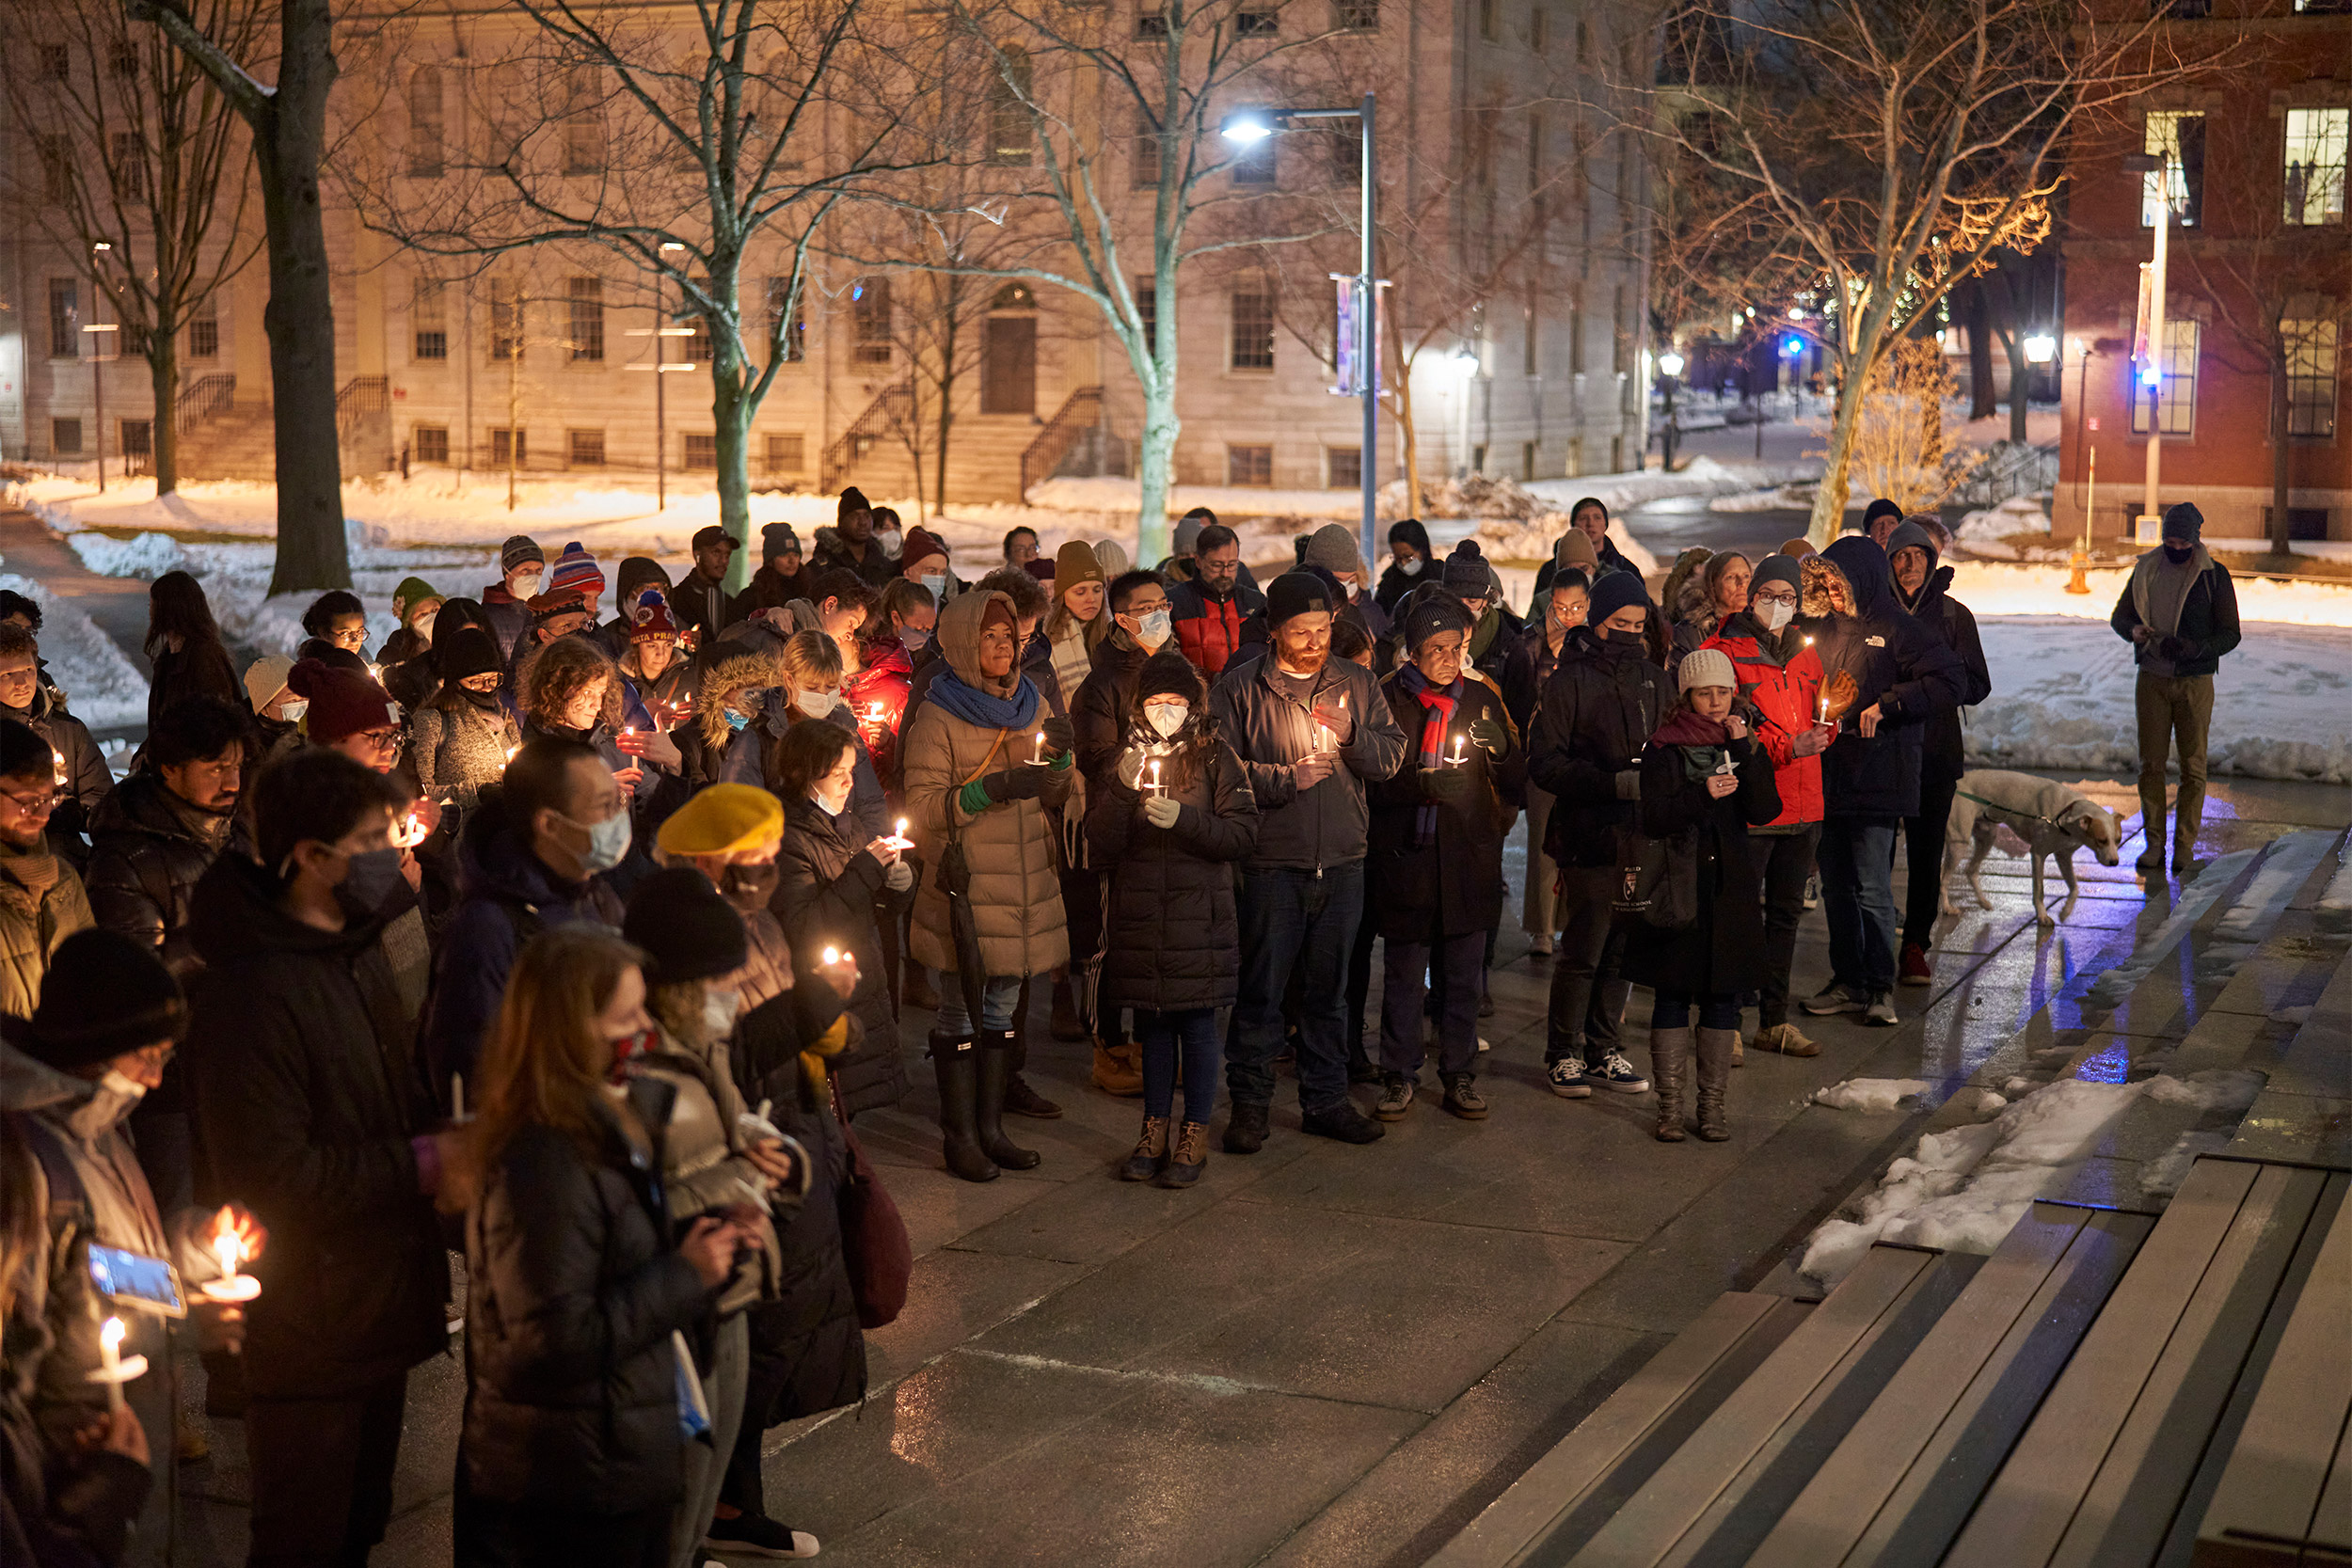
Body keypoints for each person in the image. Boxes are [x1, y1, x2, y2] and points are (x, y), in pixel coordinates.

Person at [183, 748, 453, 1568]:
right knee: (304, 1538)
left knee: (359, 1525)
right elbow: (275, 1177)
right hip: (310, 1317)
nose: (392, 847)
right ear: (310, 858)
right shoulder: (251, 992)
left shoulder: (355, 947)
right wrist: (427, 1165)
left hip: (380, 1295)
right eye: (373, 836)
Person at [449, 925, 767, 1568]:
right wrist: (684, 1274)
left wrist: (705, 1237)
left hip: (612, 1452)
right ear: (571, 1030)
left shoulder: (606, 1118)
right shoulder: (542, 1160)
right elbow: (554, 1337)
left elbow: (610, 1255)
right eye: (627, 1015)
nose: (646, 1028)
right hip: (568, 1482)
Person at [0, 930, 207, 1562]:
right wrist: (91, 1476)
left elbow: (102, 1269)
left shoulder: (101, 1131)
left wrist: (189, 1272)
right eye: (145, 1052)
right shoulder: (27, 1165)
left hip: (126, 1465)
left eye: (166, 1053)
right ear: (91, 1046)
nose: (156, 1073)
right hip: (70, 1480)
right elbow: (19, 1358)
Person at [617, 870, 800, 1568]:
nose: (732, 991)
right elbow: (640, 1192)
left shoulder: (705, 1050)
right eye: (720, 979)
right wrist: (741, 1177)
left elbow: (738, 1134)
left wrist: (776, 1162)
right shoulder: (639, 1070)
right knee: (674, 1493)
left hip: (727, 1290)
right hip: (674, 1302)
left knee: (703, 1479)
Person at [1211, 571, 1407, 1151]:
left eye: (1323, 629)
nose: (1316, 641)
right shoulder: (1242, 689)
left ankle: (1325, 1100)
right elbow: (1219, 775)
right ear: (1275, 633)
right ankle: (1249, 1105)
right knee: (1262, 993)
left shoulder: (1358, 683)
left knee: (1331, 994)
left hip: (1344, 860)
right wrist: (1284, 779)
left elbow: (1392, 756)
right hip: (1274, 863)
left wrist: (1350, 737)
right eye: (1302, 631)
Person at [900, 589, 1073, 1182]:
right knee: (960, 1009)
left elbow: (1057, 790)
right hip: (967, 883)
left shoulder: (1033, 702)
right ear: (963, 643)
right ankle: (960, 1135)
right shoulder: (937, 713)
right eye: (990, 637)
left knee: (1002, 1003)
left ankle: (992, 1127)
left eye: (1010, 637)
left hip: (1024, 876)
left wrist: (1060, 769)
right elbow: (924, 808)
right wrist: (992, 791)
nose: (1004, 648)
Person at [1087, 651, 1257, 1185]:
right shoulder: (1126, 760)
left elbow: (1242, 834)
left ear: (1193, 705)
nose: (1166, 712)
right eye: (1156, 703)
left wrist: (1186, 820)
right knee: (1153, 1027)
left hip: (1199, 916)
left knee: (1198, 1027)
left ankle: (1194, 1132)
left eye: (1176, 703)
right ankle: (1153, 1127)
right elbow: (1101, 840)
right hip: (1142, 914)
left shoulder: (1215, 757)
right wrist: (1119, 788)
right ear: (1140, 707)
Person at [1797, 536, 1966, 1027]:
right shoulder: (1823, 629)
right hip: (1829, 774)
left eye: (1839, 580)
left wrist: (1888, 704)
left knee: (1872, 885)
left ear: (1863, 578)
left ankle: (1877, 987)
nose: (1831, 589)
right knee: (1836, 886)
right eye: (1824, 581)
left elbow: (1949, 680)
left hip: (1878, 775)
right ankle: (1847, 977)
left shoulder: (1898, 628)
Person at [1366, 596, 1521, 1122]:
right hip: (1406, 857)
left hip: (1466, 858)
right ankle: (1399, 1074)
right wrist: (1419, 783)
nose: (1451, 657)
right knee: (1405, 976)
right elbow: (1368, 779)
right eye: (1437, 648)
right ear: (1412, 652)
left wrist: (1501, 749)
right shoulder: (1386, 699)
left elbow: (1516, 780)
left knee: (1462, 978)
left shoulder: (1481, 699)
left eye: (1457, 647)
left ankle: (1459, 1073)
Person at [1624, 648, 1783, 1141]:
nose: (1715, 702)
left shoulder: (1740, 741)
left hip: (1729, 891)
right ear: (1686, 696)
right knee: (1672, 996)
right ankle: (1670, 1110)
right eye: (1704, 693)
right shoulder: (1663, 748)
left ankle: (1711, 1109)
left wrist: (1749, 751)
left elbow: (1764, 809)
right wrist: (1702, 794)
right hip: (1679, 888)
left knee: (1722, 1001)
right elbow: (1654, 816)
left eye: (1722, 691)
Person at [421, 736, 629, 1098]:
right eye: (604, 806)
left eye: (619, 802)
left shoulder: (596, 894)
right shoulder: (487, 929)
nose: (618, 819)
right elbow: (473, 1070)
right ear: (549, 824)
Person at [1526, 570, 1664, 1097]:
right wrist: (1612, 783)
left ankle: (1604, 1047)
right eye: (1618, 623)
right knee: (1584, 948)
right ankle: (1563, 1051)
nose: (1629, 632)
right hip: (1589, 833)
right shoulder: (1570, 680)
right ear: (1598, 621)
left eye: (1637, 623)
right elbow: (1546, 763)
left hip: (1640, 834)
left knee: (1622, 950)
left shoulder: (1654, 677)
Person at [1698, 554, 1831, 1057]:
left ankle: (1773, 1021)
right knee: (1737, 915)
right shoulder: (1724, 650)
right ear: (1753, 595)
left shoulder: (1805, 651)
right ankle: (1724, 1022)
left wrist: (1826, 731)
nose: (1779, 605)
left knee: (1785, 917)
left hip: (1803, 804)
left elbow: (1820, 710)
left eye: (1789, 597)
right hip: (1755, 804)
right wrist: (1786, 747)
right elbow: (1725, 724)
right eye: (1770, 594)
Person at [771, 721, 912, 1118]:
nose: (850, 783)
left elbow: (868, 907)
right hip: (818, 990)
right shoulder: (789, 837)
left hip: (858, 981)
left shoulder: (845, 823)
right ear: (805, 773)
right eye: (838, 774)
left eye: (852, 771)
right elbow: (805, 926)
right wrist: (866, 871)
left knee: (847, 1112)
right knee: (827, 1112)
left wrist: (897, 886)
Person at [1886, 518, 1990, 983]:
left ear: (1932, 562)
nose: (1911, 565)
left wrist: (1921, 690)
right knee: (1876, 853)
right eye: (1902, 556)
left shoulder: (1954, 617)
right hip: (1882, 754)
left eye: (1920, 556)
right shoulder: (1876, 616)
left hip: (1935, 752)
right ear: (1889, 562)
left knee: (1927, 854)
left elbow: (1977, 685)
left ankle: (1915, 945)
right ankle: (1872, 941)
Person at [2112, 501, 2240, 876]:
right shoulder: (2146, 570)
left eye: (2183, 542)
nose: (2176, 548)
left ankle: (2184, 845)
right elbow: (2121, 616)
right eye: (2170, 540)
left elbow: (2230, 633)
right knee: (2150, 765)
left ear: (2195, 541)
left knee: (2192, 767)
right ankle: (2154, 843)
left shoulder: (2213, 576)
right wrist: (2132, 632)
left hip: (2194, 682)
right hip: (2152, 679)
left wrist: (2194, 648)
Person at [84, 695, 248, 978]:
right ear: (170, 768)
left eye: (236, 767)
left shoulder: (236, 834)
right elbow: (134, 979)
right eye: (216, 769)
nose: (233, 784)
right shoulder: (125, 865)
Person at [1502, 567, 1590, 957]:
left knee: (1579, 842)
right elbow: (1518, 701)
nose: (1568, 615)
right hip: (1544, 754)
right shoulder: (1529, 643)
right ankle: (1541, 927)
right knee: (1541, 845)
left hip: (1584, 756)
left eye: (1577, 607)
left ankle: (1573, 922)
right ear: (1549, 602)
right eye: (1561, 606)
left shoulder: (1593, 640)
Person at [654, 784, 795, 1012]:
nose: (770, 869)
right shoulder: (692, 944)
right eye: (759, 859)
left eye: (773, 857)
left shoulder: (757, 916)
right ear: (708, 863)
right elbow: (716, 1037)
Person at [0, 718, 93, 1020]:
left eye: (48, 798)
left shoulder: (63, 880)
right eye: (27, 801)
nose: (41, 816)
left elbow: (93, 980)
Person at [0, 624, 108, 860]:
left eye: (28, 670)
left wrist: (77, 813)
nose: (21, 683)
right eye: (7, 674)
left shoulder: (69, 730)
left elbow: (104, 799)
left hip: (65, 861)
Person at [410, 626, 522, 818]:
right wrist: (476, 793)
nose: (486, 688)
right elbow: (420, 791)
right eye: (476, 681)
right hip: (460, 836)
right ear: (456, 681)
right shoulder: (433, 722)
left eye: (492, 679)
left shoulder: (507, 720)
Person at [844, 579, 932, 783]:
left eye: (929, 629)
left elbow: (912, 760)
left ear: (857, 643)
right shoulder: (823, 690)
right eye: (918, 628)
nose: (924, 635)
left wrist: (886, 743)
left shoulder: (897, 691)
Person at [140, 571, 241, 730]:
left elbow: (216, 725)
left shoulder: (204, 658)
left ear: (169, 609)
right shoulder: (168, 658)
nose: (150, 611)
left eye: (152, 604)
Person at [1168, 523, 1263, 680]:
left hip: (1249, 697)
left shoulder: (1255, 602)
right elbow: (1170, 663)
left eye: (1232, 565)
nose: (1225, 573)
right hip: (1197, 698)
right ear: (1198, 561)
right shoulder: (1175, 603)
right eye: (1216, 565)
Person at [1043, 539, 1109, 711]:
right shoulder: (1046, 641)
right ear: (1062, 596)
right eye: (1080, 592)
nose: (1091, 599)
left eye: (1097, 590)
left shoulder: (1114, 635)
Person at [1534, 497, 1637, 597]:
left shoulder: (1625, 569)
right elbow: (1540, 609)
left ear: (1605, 524)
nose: (1590, 524)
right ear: (1573, 525)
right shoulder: (1551, 571)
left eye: (1597, 517)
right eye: (1583, 518)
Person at [617, 600, 694, 733]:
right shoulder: (617, 682)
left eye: (667, 645)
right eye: (652, 646)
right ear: (637, 646)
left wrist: (700, 708)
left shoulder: (691, 678)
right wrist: (641, 713)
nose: (661, 654)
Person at [1673, 552, 1751, 661]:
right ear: (1712, 584)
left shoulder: (1762, 625)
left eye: (1746, 576)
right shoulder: (1691, 633)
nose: (1742, 583)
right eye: (1730, 577)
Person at [675, 525, 743, 646]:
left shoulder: (730, 604)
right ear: (697, 556)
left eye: (727, 555)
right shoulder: (676, 600)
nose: (724, 561)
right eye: (716, 552)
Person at [481, 536, 547, 661]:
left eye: (538, 570)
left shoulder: (545, 610)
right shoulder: (487, 614)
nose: (533, 576)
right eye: (525, 570)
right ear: (507, 574)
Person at [813, 490, 896, 588]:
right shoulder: (824, 564)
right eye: (855, 516)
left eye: (867, 516)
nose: (863, 522)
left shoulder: (881, 560)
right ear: (841, 522)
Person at [244, 653, 309, 772]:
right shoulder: (250, 751)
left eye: (305, 697)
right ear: (264, 708)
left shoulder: (312, 733)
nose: (302, 704)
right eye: (293, 700)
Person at [380, 578, 443, 666]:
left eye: (435, 610)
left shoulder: (456, 638)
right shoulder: (398, 646)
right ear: (409, 623)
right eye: (422, 614)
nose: (432, 617)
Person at [1375, 518, 1433, 613]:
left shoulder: (1440, 576)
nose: (1403, 563)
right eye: (1397, 557)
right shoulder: (1389, 581)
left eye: (1408, 556)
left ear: (1423, 550)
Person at [301, 591, 372, 660]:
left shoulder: (367, 665)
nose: (355, 640)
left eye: (359, 632)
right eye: (345, 633)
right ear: (323, 633)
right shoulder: (310, 669)